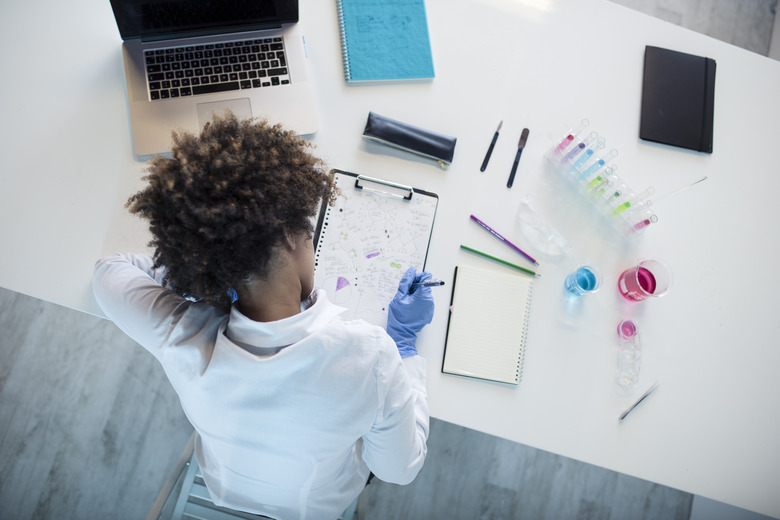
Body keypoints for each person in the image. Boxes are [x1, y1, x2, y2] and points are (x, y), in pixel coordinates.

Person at [92, 113, 434, 520]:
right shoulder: (371, 356)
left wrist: (205, 272)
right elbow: (398, 470)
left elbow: (108, 272)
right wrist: (405, 348)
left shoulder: (181, 335)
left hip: (225, 488)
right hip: (314, 509)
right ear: (293, 236)